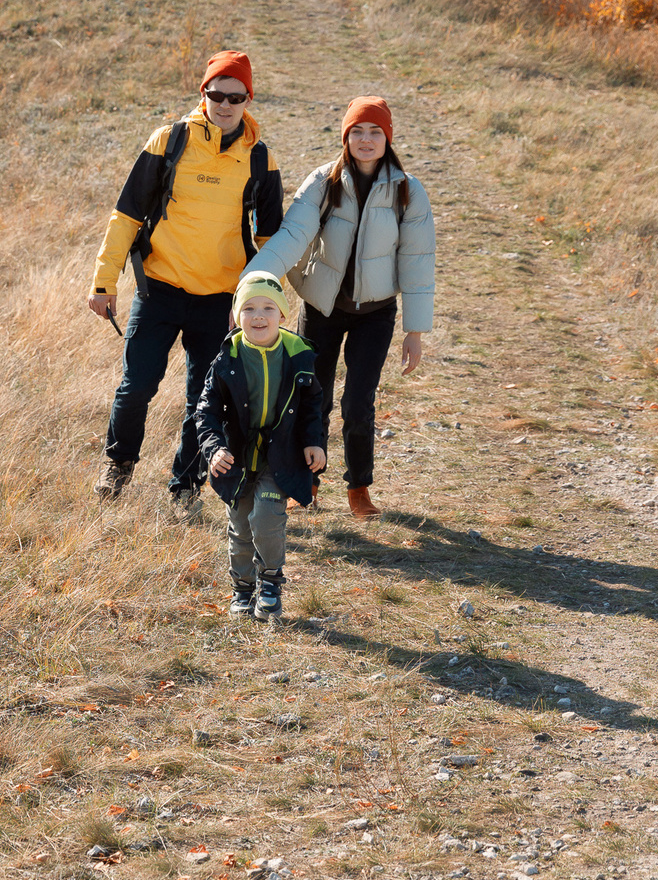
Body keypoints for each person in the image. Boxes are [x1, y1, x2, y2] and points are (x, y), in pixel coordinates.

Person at [88, 50, 286, 502]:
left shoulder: (260, 159)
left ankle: (185, 489)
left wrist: (258, 300)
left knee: (205, 399)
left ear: (248, 99)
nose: (226, 104)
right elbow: (126, 216)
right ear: (204, 93)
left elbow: (273, 237)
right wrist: (104, 282)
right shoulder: (169, 141)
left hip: (220, 299)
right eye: (217, 93)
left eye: (236, 96)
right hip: (159, 288)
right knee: (136, 385)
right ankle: (117, 466)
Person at [247, 95, 436, 520]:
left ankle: (359, 489)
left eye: (375, 132)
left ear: (387, 138)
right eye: (357, 132)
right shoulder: (323, 181)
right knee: (313, 397)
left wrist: (415, 331)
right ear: (345, 136)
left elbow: (418, 263)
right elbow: (293, 235)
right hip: (321, 308)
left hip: (376, 311)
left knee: (358, 402)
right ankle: (306, 483)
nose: (365, 140)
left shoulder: (408, 190)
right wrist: (255, 280)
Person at [192, 272, 327, 621]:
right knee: (240, 526)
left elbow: (314, 407)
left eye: (269, 307)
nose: (259, 316)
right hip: (236, 456)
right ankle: (242, 587)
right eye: (248, 308)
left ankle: (269, 583)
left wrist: (314, 442)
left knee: (267, 518)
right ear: (237, 316)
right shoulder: (227, 359)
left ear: (282, 315)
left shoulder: (299, 357)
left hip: (279, 455)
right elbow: (205, 410)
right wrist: (214, 449)